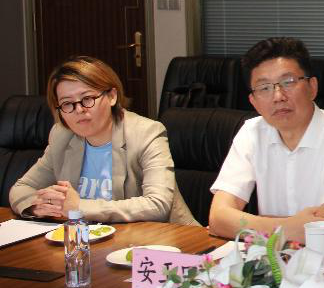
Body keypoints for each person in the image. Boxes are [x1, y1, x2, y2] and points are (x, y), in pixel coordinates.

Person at [209, 37, 324, 243]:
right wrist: (289, 227)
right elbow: (218, 218)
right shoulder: (251, 132)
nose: (278, 96)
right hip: (274, 257)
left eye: (288, 82)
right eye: (264, 88)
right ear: (254, 102)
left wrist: (249, 223)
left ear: (312, 87)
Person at [9, 56, 197, 225]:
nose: (79, 110)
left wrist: (79, 207)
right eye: (67, 104)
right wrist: (37, 206)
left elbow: (158, 204)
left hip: (165, 240)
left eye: (87, 99)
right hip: (91, 241)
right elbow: (21, 188)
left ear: (112, 96)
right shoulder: (62, 136)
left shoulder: (146, 133)